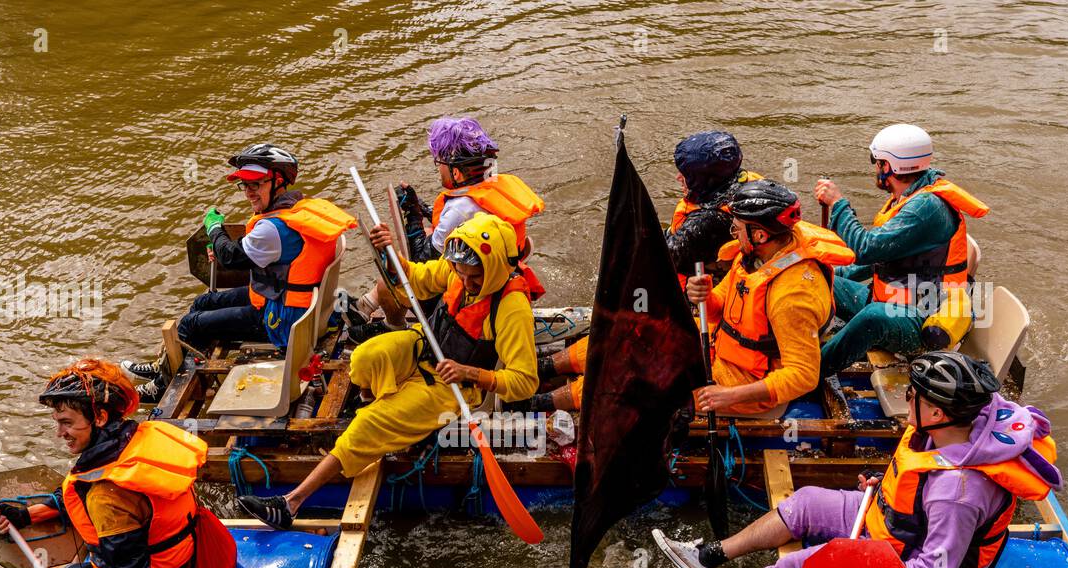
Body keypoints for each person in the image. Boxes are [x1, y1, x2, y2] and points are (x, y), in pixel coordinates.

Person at [647, 352, 1059, 568]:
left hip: (914, 567)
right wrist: (887, 487)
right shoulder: (951, 430)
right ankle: (708, 557)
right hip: (893, 525)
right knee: (806, 502)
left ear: (936, 412)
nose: (904, 396)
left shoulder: (959, 495)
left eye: (912, 393)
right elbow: (921, 486)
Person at [239, 213, 541, 529]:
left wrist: (470, 373)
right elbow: (417, 278)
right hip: (425, 347)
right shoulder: (458, 267)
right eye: (460, 275)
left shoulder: (512, 308)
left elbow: (525, 382)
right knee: (365, 358)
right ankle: (388, 409)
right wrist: (389, 251)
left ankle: (291, 503)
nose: (466, 284)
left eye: (474, 280)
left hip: (454, 385)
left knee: (368, 424)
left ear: (493, 271)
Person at [0, 359, 209, 568]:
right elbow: (82, 489)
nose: (59, 433)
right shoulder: (134, 439)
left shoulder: (107, 496)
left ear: (101, 416)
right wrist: (29, 514)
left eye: (66, 422)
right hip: (184, 567)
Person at [525, 130, 763, 414]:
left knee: (630, 358)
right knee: (619, 330)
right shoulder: (742, 186)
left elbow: (660, 259)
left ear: (706, 179)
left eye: (685, 175)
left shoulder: (711, 221)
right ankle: (545, 367)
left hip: (703, 321)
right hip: (706, 301)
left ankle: (540, 404)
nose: (679, 179)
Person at [125, 144, 357, 401]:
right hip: (291, 304)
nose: (248, 192)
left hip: (279, 321)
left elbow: (230, 256)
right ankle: (165, 368)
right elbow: (268, 258)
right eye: (245, 185)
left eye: (255, 184)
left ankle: (161, 388)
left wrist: (214, 228)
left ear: (278, 181)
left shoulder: (271, 229)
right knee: (202, 302)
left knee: (191, 323)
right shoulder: (299, 211)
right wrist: (225, 246)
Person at [814, 124, 990, 377]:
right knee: (817, 274)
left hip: (921, 321)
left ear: (888, 166)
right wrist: (828, 271)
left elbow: (866, 248)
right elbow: (883, 256)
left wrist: (838, 204)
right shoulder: (911, 196)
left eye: (876, 162)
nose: (875, 168)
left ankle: (810, 372)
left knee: (873, 315)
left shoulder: (925, 208)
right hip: (891, 302)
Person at [350, 117, 545, 337]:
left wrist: (412, 216)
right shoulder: (493, 186)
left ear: (456, 172)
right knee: (428, 233)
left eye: (440, 163)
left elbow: (422, 258)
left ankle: (392, 325)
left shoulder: (462, 208)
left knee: (387, 281)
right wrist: (421, 208)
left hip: (470, 289)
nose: (438, 169)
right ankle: (365, 305)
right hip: (500, 273)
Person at [682, 180, 854, 418]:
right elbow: (718, 309)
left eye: (737, 229)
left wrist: (729, 395)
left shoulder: (792, 297)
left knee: (656, 391)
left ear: (760, 235)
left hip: (746, 384)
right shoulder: (758, 254)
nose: (734, 235)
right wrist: (705, 296)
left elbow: (803, 375)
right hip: (721, 349)